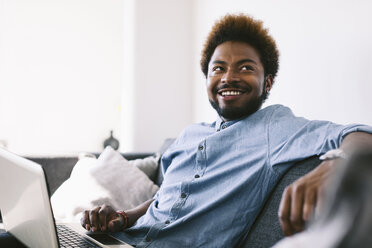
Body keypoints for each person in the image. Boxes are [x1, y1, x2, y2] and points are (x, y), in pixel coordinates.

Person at [81, 14, 372, 247]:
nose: (228, 77)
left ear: (267, 82)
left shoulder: (276, 126)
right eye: (218, 69)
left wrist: (335, 163)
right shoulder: (189, 135)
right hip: (120, 240)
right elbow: (166, 197)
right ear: (207, 79)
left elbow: (362, 135)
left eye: (245, 68)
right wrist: (122, 216)